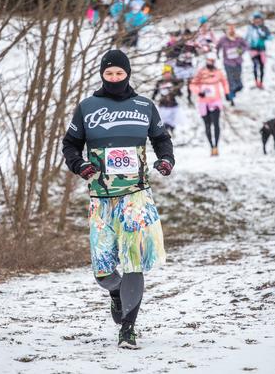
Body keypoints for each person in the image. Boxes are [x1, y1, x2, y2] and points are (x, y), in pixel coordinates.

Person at [62, 50, 174, 349]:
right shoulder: (87, 107)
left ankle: (128, 328)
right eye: (109, 73)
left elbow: (161, 139)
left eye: (119, 73)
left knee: (134, 261)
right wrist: (80, 165)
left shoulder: (144, 105)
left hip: (136, 197)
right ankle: (115, 292)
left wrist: (165, 160)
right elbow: (70, 144)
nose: (114, 78)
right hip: (101, 198)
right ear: (102, 74)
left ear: (127, 74)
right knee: (103, 271)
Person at [189, 52, 230, 156]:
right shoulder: (201, 72)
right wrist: (199, 91)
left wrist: (227, 93)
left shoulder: (218, 72)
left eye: (212, 61)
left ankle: (216, 146)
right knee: (207, 125)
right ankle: (211, 146)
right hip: (203, 102)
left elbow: (225, 82)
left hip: (215, 101)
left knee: (216, 124)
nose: (210, 62)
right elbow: (193, 84)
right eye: (208, 61)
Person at [216, 23, 248, 104]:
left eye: (232, 29)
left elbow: (246, 45)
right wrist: (216, 54)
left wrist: (240, 51)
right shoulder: (223, 39)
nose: (231, 31)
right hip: (228, 63)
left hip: (238, 62)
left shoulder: (239, 38)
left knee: (238, 80)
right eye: (229, 29)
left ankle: (235, 90)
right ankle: (231, 98)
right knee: (230, 80)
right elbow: (217, 46)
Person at [152, 65, 183, 135]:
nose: (167, 75)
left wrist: (175, 90)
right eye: (166, 73)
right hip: (163, 104)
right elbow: (155, 92)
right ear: (163, 74)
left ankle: (172, 132)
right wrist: (153, 99)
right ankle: (165, 134)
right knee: (164, 121)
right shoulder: (159, 82)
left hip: (173, 105)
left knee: (172, 121)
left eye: (169, 73)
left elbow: (180, 94)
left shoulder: (174, 82)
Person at [245, 11, 272, 89]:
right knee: (255, 65)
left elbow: (270, 37)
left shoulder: (264, 28)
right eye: (255, 19)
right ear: (253, 20)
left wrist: (263, 35)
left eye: (258, 19)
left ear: (261, 20)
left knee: (262, 66)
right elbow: (246, 38)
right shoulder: (250, 28)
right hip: (253, 50)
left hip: (262, 50)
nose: (257, 21)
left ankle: (261, 82)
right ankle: (256, 81)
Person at [173, 29, 198, 102]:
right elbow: (175, 51)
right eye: (186, 35)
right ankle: (178, 92)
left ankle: (189, 97)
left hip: (188, 66)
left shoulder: (192, 43)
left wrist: (192, 54)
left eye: (188, 35)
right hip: (180, 66)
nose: (187, 37)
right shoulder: (179, 42)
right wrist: (182, 54)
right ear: (183, 35)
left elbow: (195, 53)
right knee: (180, 82)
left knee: (189, 82)